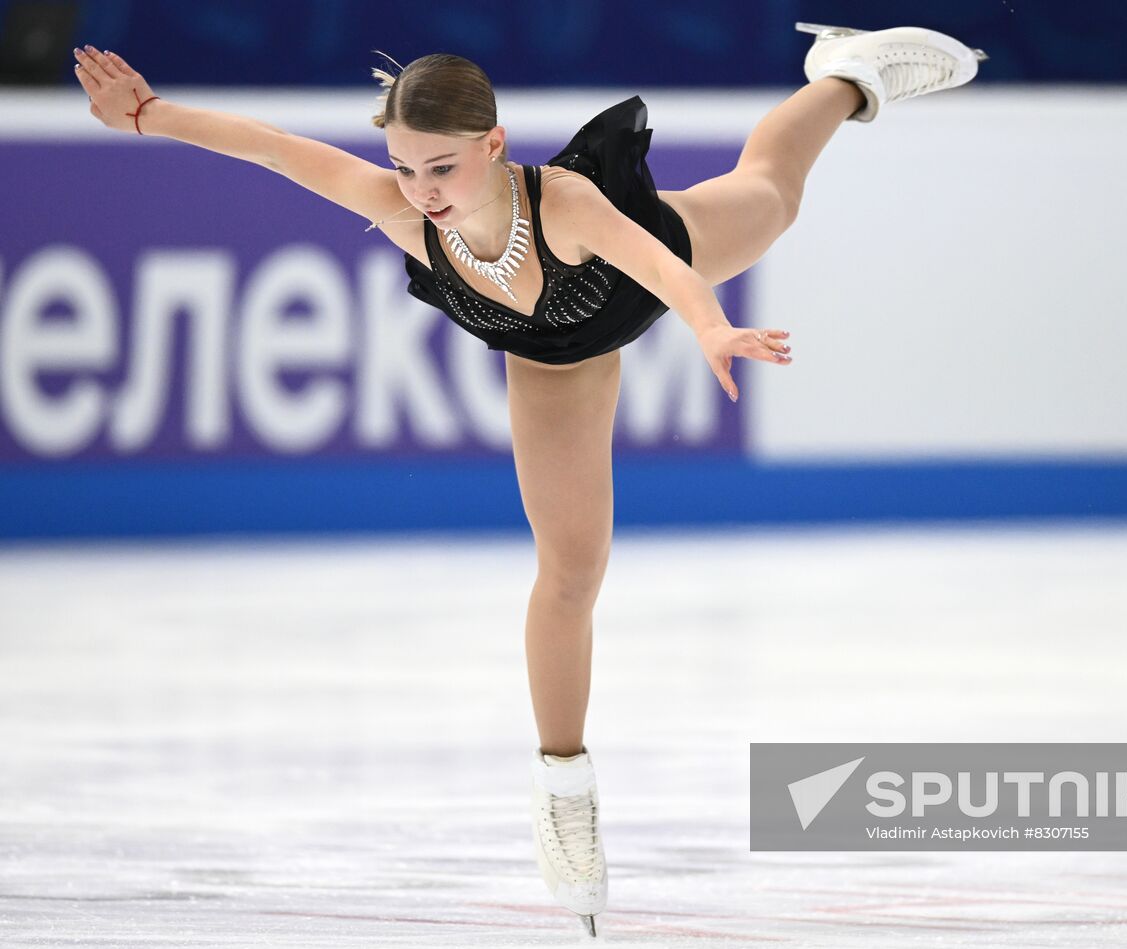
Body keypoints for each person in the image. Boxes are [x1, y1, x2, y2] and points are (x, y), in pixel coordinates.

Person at [72, 22, 983, 936]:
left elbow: (667, 271)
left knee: (772, 196)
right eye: (405, 168)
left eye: (443, 167)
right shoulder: (397, 208)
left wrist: (709, 330)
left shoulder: (569, 205)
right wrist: (148, 117)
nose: (421, 191)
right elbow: (272, 149)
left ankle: (845, 73)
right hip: (550, 361)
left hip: (650, 267)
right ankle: (565, 790)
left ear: (493, 145)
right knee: (573, 570)